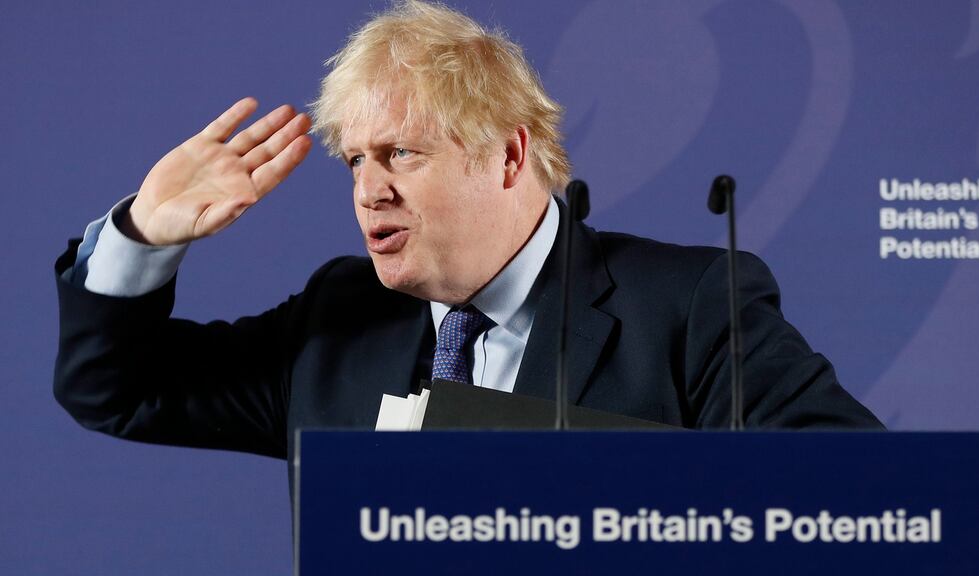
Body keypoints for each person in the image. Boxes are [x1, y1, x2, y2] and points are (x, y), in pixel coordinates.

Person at [53, 0, 882, 463]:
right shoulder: (337, 321)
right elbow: (116, 391)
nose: (368, 190)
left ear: (509, 153)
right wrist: (143, 236)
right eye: (353, 161)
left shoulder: (689, 305)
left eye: (401, 154)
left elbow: (854, 500)